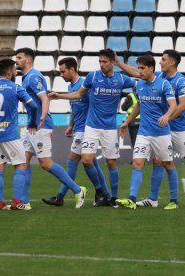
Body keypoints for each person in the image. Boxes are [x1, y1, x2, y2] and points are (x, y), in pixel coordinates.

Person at [115, 49, 185, 208]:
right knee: (157, 160)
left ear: (172, 62)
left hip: (179, 128)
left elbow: (182, 105)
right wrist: (118, 63)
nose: (160, 62)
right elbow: (137, 73)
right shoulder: (160, 77)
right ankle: (152, 199)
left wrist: (166, 118)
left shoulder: (181, 81)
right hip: (163, 127)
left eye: (163, 59)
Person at [50, 49, 136, 206]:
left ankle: (113, 198)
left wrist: (119, 62)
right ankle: (100, 192)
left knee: (111, 163)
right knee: (87, 160)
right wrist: (59, 96)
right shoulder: (93, 76)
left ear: (112, 63)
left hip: (109, 128)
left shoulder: (121, 79)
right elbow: (78, 95)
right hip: (91, 126)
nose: (101, 64)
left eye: (105, 61)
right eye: (100, 61)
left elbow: (139, 76)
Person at [15, 48, 87, 209]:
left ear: (28, 60)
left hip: (39, 125)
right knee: (23, 162)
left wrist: (42, 117)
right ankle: (24, 202)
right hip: (31, 125)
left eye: (19, 57)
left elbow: (44, 98)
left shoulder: (34, 77)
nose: (16, 60)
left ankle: (78, 190)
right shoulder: (26, 77)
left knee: (46, 163)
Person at [42, 57, 108, 207]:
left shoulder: (84, 85)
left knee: (72, 162)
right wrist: (71, 125)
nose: (61, 74)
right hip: (78, 128)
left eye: (63, 71)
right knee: (93, 164)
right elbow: (75, 108)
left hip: (87, 129)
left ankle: (60, 197)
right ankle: (105, 195)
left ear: (72, 69)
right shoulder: (71, 87)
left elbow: (95, 105)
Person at [116, 55, 178, 210]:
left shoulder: (164, 84)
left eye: (142, 68)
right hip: (143, 132)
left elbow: (173, 104)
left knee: (168, 164)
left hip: (161, 133)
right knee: (137, 163)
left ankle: (174, 200)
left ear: (151, 68)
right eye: (138, 68)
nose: (140, 71)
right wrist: (127, 122)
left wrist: (166, 115)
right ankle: (132, 198)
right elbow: (138, 104)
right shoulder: (140, 85)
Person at [0, 59, 38, 210]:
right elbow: (33, 105)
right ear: (8, 72)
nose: (16, 72)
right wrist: (32, 122)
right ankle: (16, 202)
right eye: (14, 69)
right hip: (10, 134)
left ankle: (0, 203)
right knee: (21, 165)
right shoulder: (15, 88)